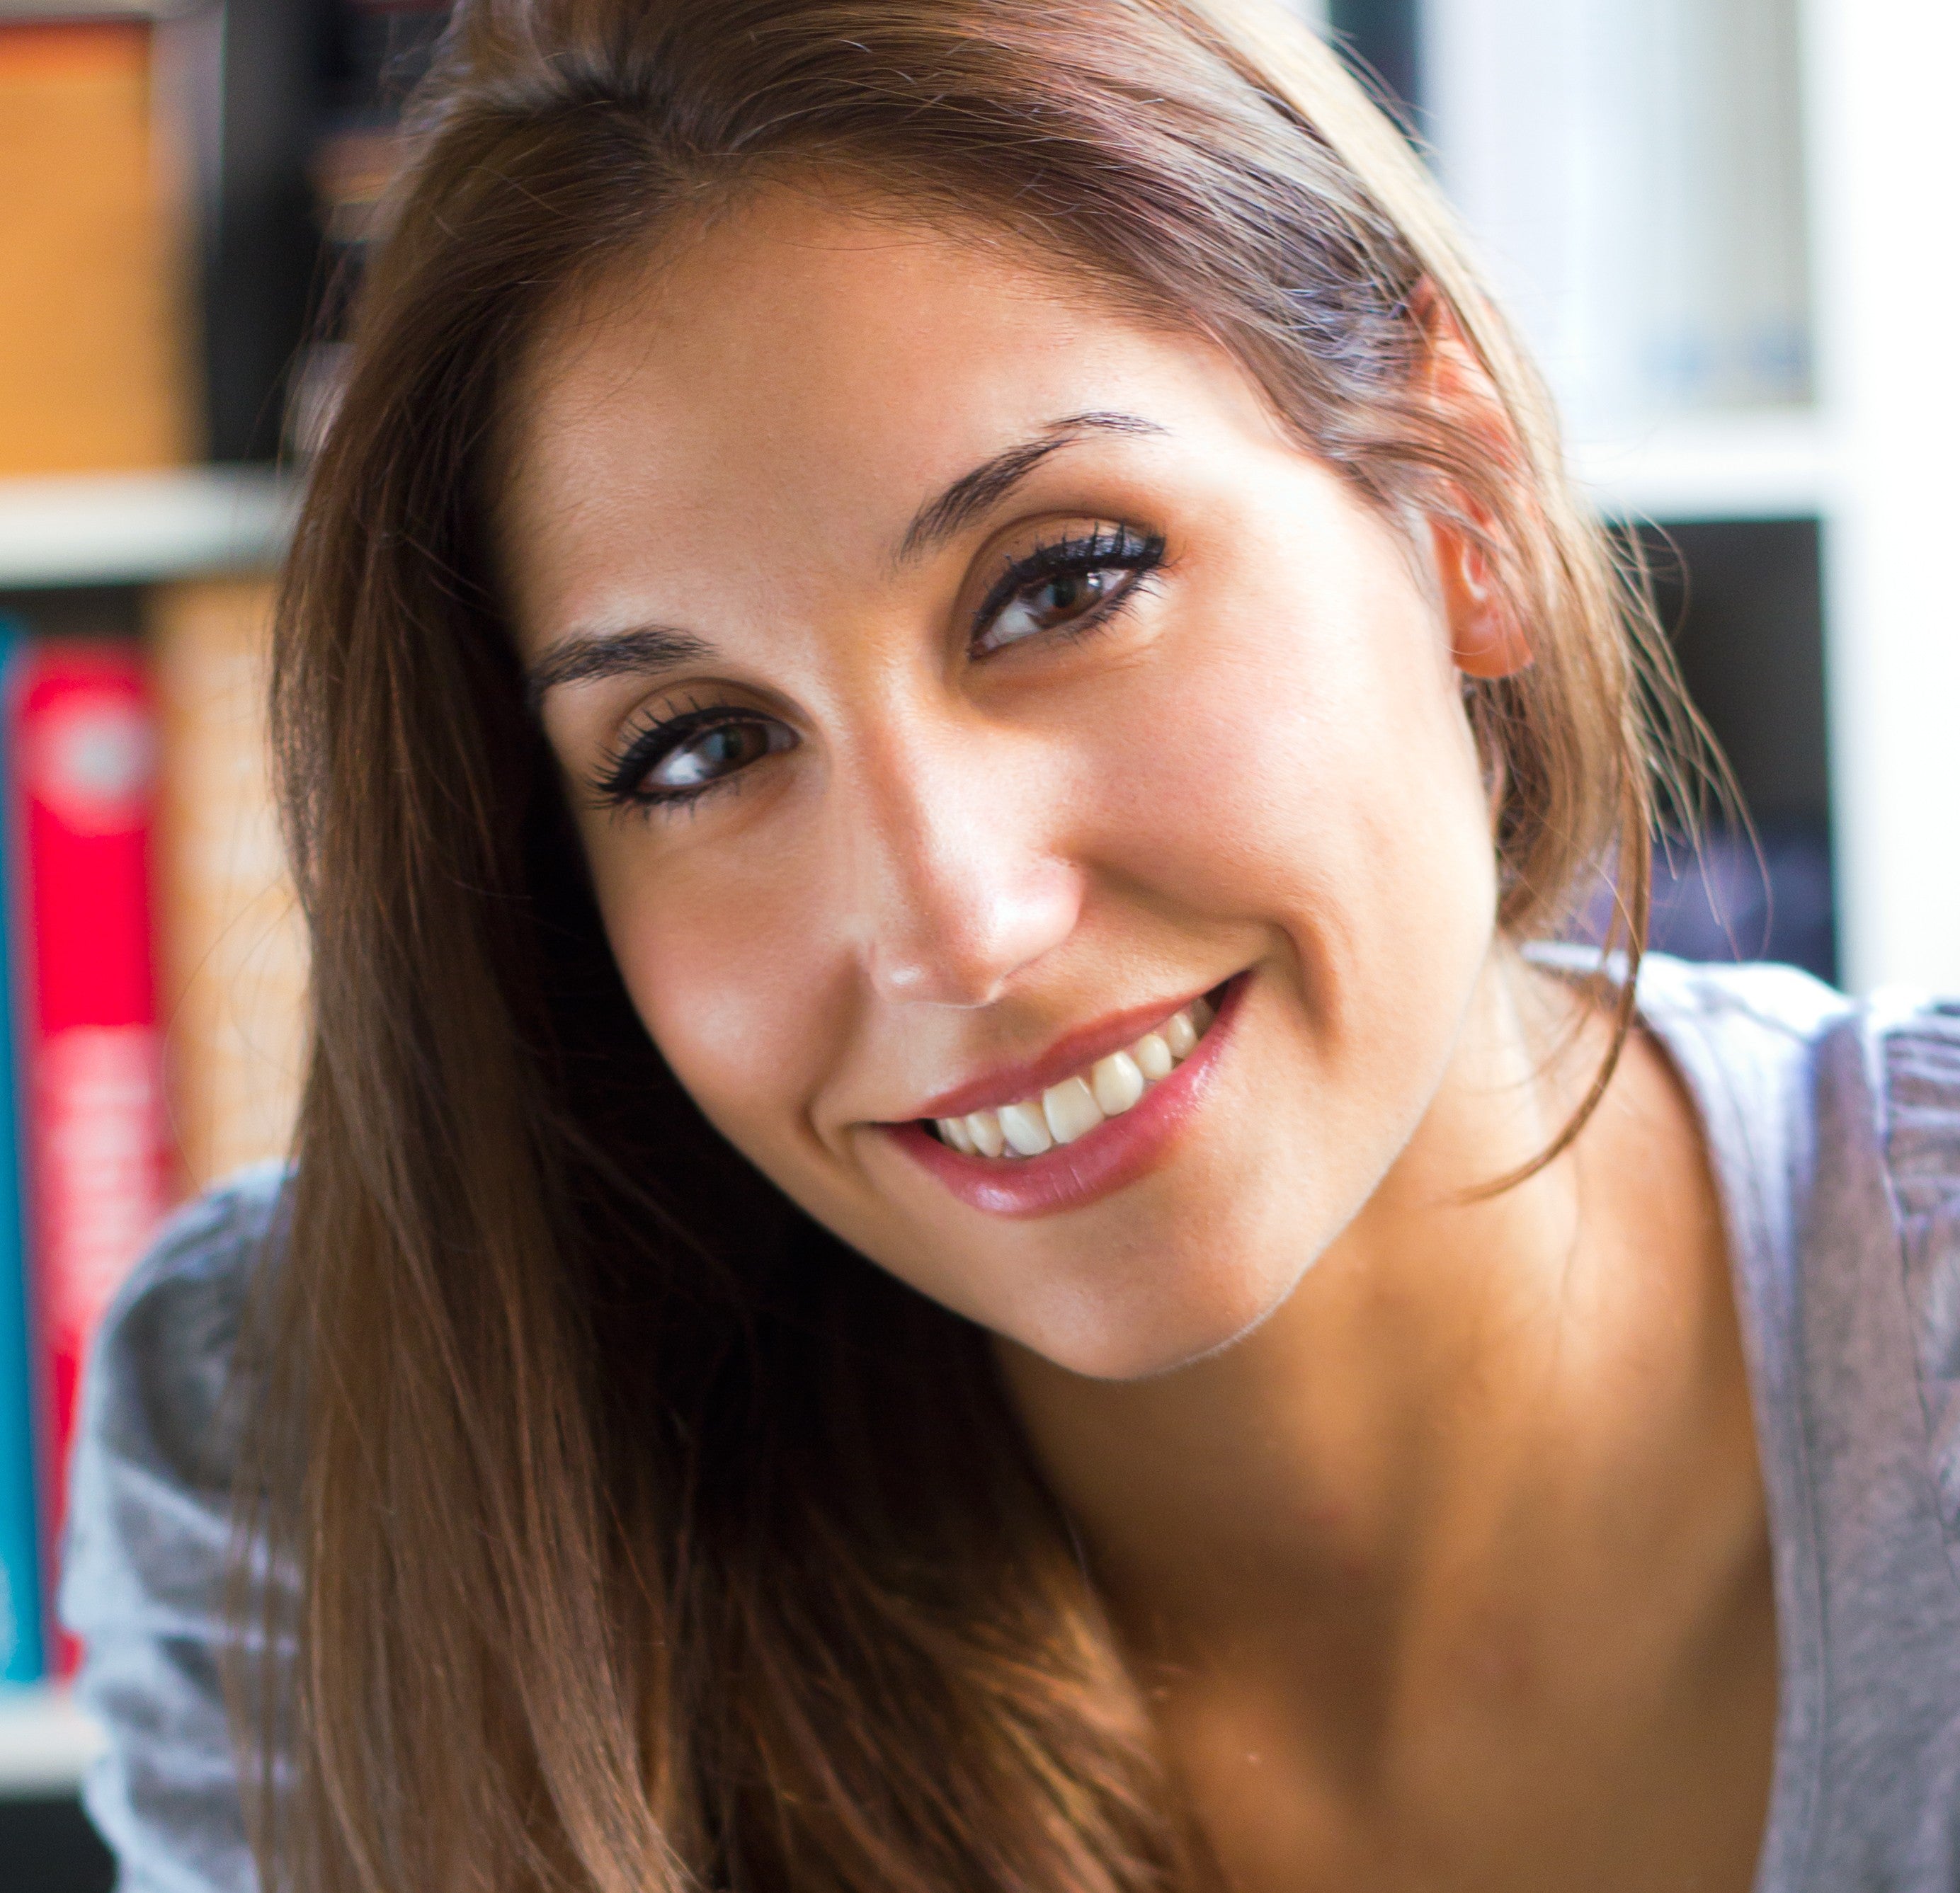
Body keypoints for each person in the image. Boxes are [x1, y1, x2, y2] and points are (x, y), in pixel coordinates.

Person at [59, 1, 1960, 1889]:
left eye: (1065, 583)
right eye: (699, 749)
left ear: (1463, 504)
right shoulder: (337, 1461)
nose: (958, 926)